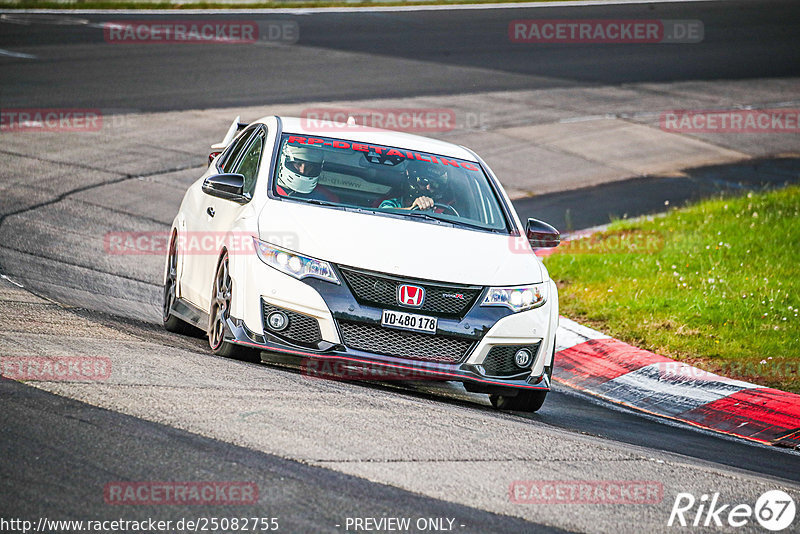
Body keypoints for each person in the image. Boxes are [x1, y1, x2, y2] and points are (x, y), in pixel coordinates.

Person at [379, 162, 450, 211]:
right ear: (412, 180)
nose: (428, 187)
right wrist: (412, 209)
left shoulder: (444, 210)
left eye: (434, 185)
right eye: (423, 182)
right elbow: (382, 213)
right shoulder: (391, 204)